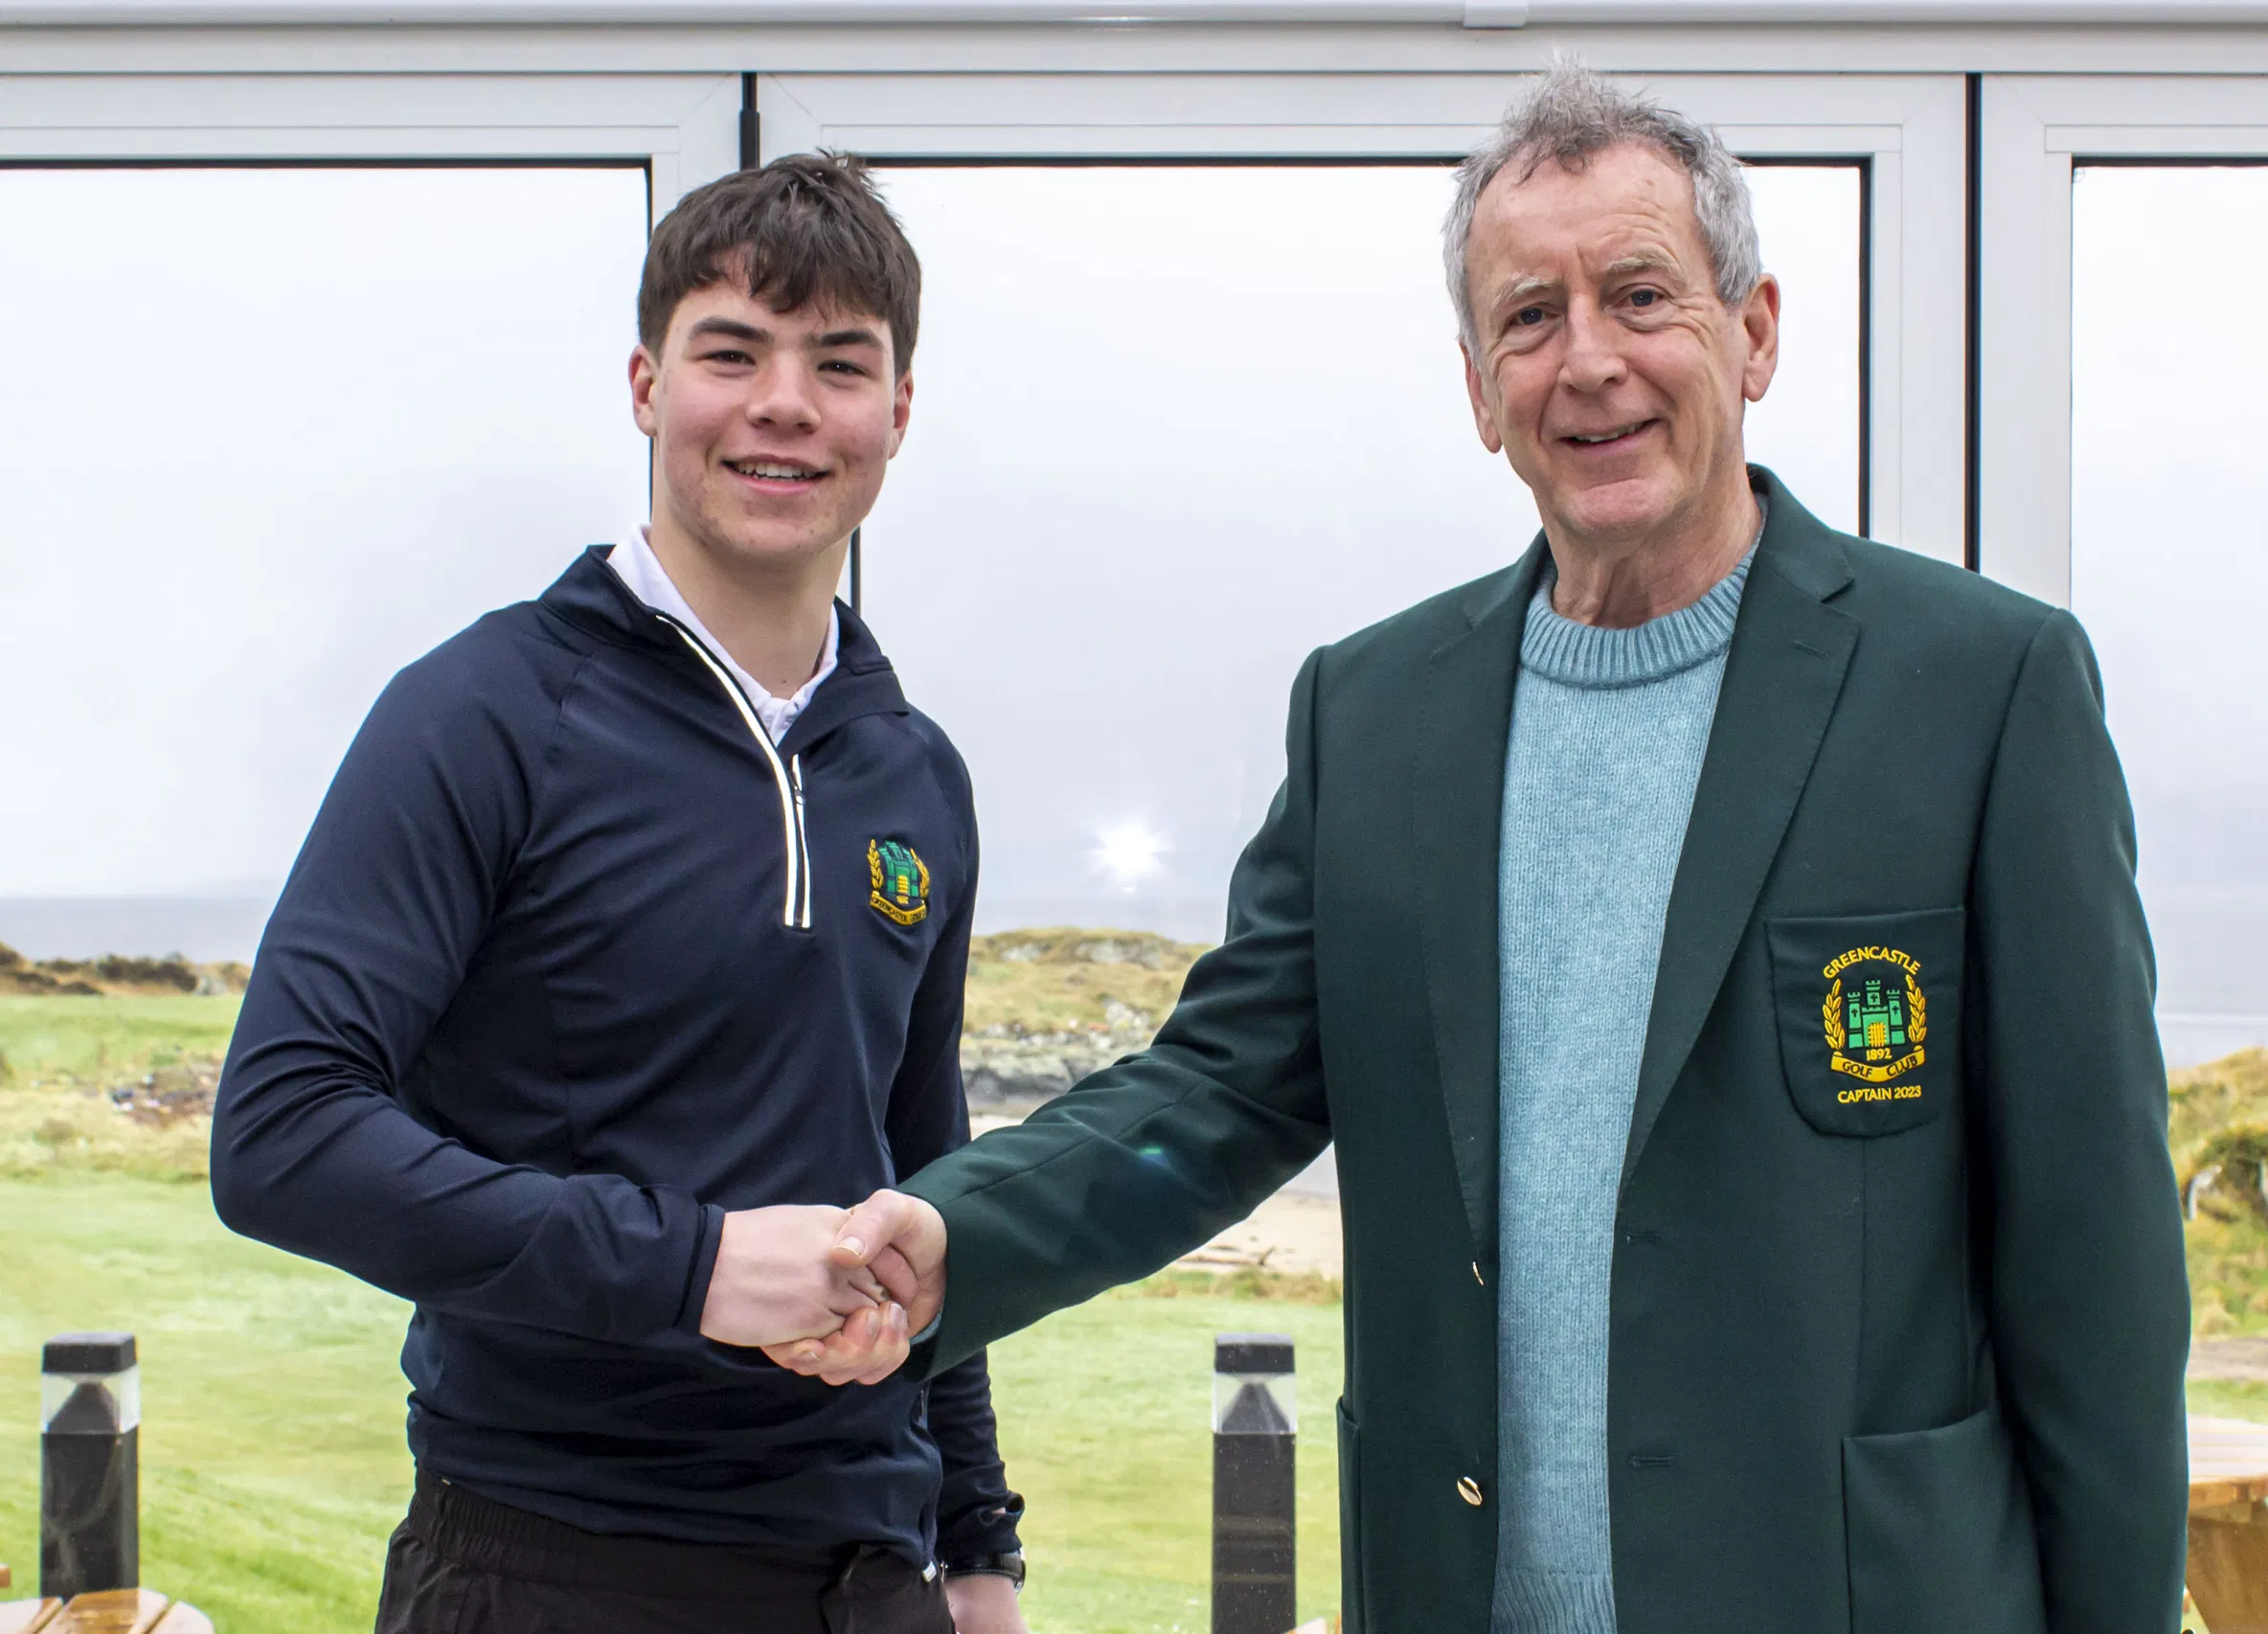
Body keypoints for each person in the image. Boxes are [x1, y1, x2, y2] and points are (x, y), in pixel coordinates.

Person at [796, 60, 2190, 1634]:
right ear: (1477, 392)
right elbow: (1217, 1090)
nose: (1586, 360)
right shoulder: (1371, 713)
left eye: (1640, 295)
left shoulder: (1981, 686)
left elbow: (2096, 1265)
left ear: (1756, 330)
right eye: (1528, 317)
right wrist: (946, 1233)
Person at [211, 154, 1029, 1634]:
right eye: (734, 351)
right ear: (648, 383)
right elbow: (283, 1131)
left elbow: (921, 1169)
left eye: (838, 363)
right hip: (552, 1559)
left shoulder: (915, 773)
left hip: (873, 1571)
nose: (784, 401)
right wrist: (696, 1265)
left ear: (896, 414)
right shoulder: (481, 712)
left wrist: (976, 1545)